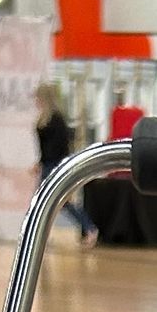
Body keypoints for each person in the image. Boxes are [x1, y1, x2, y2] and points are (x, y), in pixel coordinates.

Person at [35, 82, 96, 242]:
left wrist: (59, 166)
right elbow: (44, 146)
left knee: (52, 201)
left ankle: (88, 227)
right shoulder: (44, 119)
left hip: (55, 165)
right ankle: (88, 227)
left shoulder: (56, 120)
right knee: (54, 202)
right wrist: (40, 162)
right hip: (47, 164)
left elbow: (60, 146)